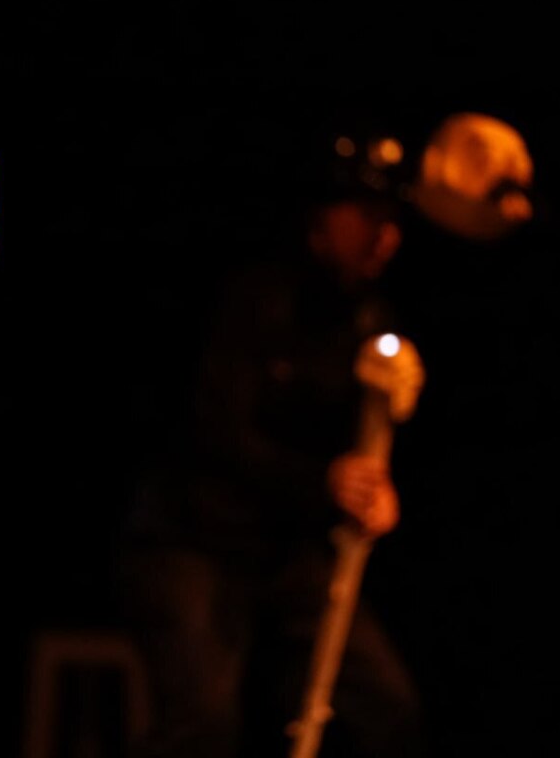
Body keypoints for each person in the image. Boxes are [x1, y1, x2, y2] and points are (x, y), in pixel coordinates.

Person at [119, 123, 427, 758]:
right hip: (192, 537)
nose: (386, 235)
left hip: (287, 547)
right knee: (201, 724)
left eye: (393, 219)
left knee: (384, 706)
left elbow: (363, 445)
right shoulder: (250, 296)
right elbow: (213, 430)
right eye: (368, 214)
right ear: (323, 214)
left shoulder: (372, 320)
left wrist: (378, 487)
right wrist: (324, 481)